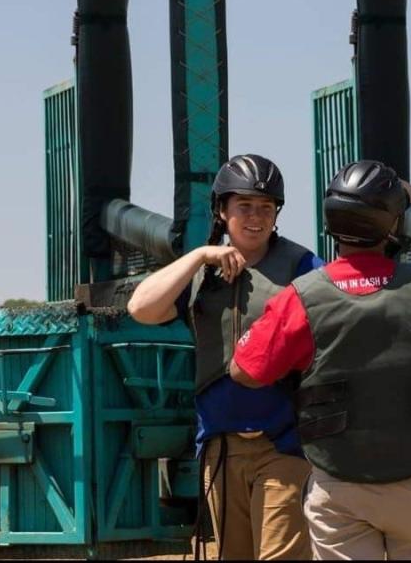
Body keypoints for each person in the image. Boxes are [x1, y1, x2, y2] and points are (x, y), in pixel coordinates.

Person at [228, 159, 411, 560]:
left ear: (331, 224)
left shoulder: (303, 295)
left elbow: (245, 370)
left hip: (339, 483)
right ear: (391, 225)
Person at [128, 154, 321, 560]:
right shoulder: (201, 274)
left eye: (266, 208)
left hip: (285, 444)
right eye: (244, 206)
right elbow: (141, 309)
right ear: (221, 210)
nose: (256, 217)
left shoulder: (303, 266)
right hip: (220, 447)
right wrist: (198, 256)